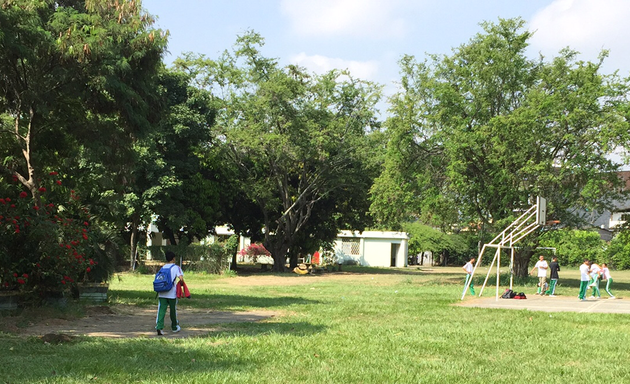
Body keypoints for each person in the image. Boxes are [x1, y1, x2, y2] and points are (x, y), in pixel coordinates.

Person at [155, 251, 184, 336]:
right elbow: (181, 278)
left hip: (162, 292)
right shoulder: (176, 267)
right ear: (173, 258)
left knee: (161, 310)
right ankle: (174, 326)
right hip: (172, 293)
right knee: (173, 310)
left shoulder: (163, 267)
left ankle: (159, 327)